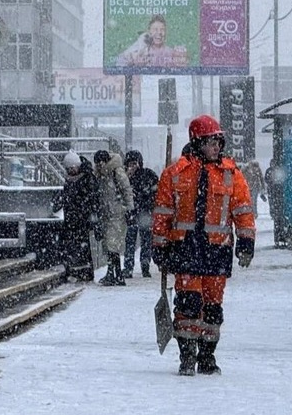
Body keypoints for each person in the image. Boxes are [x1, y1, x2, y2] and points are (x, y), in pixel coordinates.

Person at [152, 114, 255, 376]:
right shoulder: (174, 174)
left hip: (217, 251)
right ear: (197, 142)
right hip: (185, 249)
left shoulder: (231, 175)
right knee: (187, 304)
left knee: (212, 307)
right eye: (211, 142)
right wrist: (160, 244)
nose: (216, 147)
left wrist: (246, 241)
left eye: (219, 142)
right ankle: (187, 355)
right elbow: (162, 214)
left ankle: (207, 357)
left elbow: (243, 211)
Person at [93, 149, 135, 286]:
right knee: (110, 245)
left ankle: (113, 273)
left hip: (117, 213)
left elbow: (126, 190)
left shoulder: (116, 172)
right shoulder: (101, 174)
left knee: (112, 244)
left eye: (100, 162)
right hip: (107, 214)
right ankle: (116, 274)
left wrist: (129, 209)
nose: (99, 165)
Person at [57, 151, 99, 282]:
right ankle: (78, 271)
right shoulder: (74, 180)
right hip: (72, 218)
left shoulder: (87, 178)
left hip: (81, 218)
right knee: (75, 246)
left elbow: (93, 198)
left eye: (72, 168)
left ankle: (83, 272)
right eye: (68, 168)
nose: (71, 170)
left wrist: (89, 213)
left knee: (81, 246)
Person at [123, 149, 158, 279]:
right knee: (131, 240)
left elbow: (156, 191)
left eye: (134, 163)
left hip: (145, 212)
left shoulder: (148, 174)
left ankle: (145, 265)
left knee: (146, 239)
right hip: (132, 212)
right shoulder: (125, 177)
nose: (132, 166)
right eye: (130, 163)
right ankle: (128, 266)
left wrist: (149, 199)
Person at [115, 14, 189, 68]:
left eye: (162, 30)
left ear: (166, 32)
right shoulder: (140, 51)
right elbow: (119, 63)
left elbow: (182, 71)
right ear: (149, 32)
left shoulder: (171, 53)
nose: (159, 33)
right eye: (155, 29)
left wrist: (182, 62)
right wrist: (132, 60)